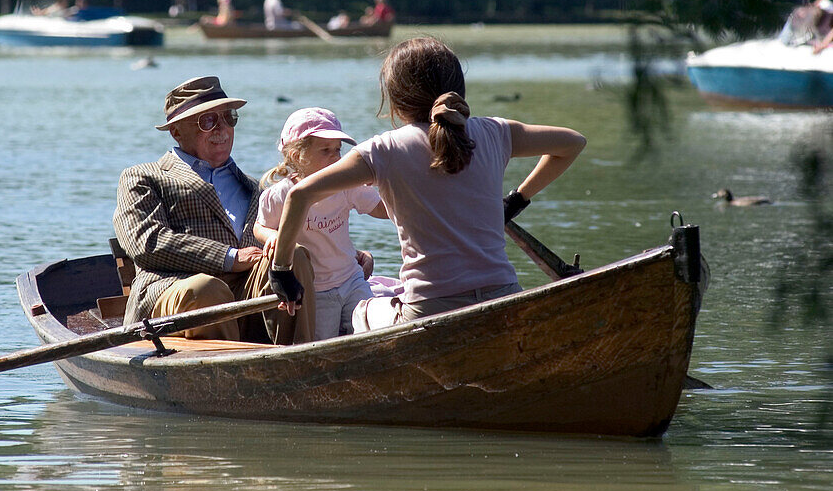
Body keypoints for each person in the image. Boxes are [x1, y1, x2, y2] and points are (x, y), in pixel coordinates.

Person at [264, 36, 586, 332]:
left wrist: (281, 272)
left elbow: (300, 194)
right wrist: (515, 201)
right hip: (503, 297)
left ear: (396, 101)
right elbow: (573, 143)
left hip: (428, 311)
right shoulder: (496, 132)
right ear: (458, 88)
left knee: (360, 311)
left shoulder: (383, 150)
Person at [113, 76, 316, 344]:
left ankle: (302, 361)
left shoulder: (256, 188)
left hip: (246, 297)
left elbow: (292, 232)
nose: (222, 129)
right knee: (207, 289)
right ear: (176, 131)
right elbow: (146, 243)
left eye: (228, 118)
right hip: (176, 294)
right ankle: (225, 374)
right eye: (207, 121)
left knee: (294, 254)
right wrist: (229, 257)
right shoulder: (143, 177)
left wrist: (347, 254)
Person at [255, 108, 390, 341]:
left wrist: (402, 194)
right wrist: (271, 237)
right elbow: (259, 227)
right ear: (298, 156)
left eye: (338, 150)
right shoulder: (280, 195)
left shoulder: (346, 185)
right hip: (316, 290)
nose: (336, 157)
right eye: (326, 151)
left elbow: (382, 209)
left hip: (351, 278)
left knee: (372, 333)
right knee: (324, 342)